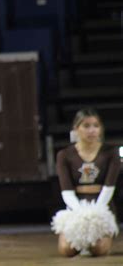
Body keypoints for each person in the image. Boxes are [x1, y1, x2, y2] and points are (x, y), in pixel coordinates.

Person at [53, 108, 120, 257]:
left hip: (102, 206)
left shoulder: (111, 152)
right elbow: (66, 191)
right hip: (75, 208)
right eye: (86, 126)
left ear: (101, 128)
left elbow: (109, 187)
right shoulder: (64, 155)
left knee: (99, 250)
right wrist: (81, 215)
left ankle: (96, 241)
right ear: (76, 129)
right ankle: (81, 243)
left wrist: (94, 214)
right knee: (66, 250)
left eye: (96, 126)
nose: (92, 130)